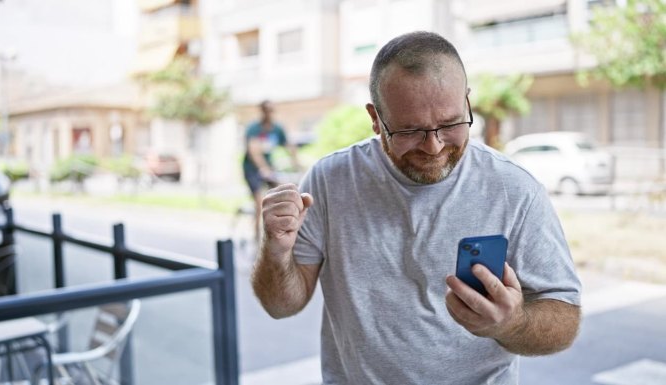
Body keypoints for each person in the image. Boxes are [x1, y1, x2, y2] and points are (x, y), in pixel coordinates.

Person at [252, 31, 582, 384]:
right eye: (410, 130)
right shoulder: (329, 181)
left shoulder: (515, 189)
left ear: (467, 103)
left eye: (451, 123)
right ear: (376, 118)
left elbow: (564, 319)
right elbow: (281, 305)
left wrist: (512, 322)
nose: (433, 146)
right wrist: (276, 251)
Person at [242, 100, 299, 244]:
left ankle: (277, 233)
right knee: (259, 202)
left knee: (280, 196)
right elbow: (254, 151)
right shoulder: (254, 128)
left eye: (271, 110)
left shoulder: (277, 128)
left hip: (269, 167)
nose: (269, 113)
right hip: (252, 169)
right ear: (261, 111)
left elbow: (288, 146)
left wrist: (296, 162)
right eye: (266, 110)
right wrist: (263, 168)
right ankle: (256, 238)